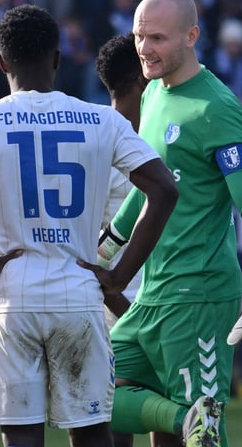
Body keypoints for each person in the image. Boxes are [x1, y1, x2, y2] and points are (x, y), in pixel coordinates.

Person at [0, 5, 179, 447]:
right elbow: (164, 190)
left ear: (1, 62)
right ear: (57, 59)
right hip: (78, 290)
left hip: (12, 294)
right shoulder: (101, 120)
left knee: (22, 435)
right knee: (91, 432)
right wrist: (117, 278)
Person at [95, 0, 242, 447]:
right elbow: (148, 190)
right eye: (139, 36)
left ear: (192, 36)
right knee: (90, 394)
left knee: (204, 438)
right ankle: (183, 416)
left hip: (200, 296)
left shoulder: (217, 109)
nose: (144, 49)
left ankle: (189, 417)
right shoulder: (151, 98)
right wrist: (106, 246)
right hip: (154, 294)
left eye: (158, 39)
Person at [93, 32, 150, 325]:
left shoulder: (157, 142)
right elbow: (83, 258)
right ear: (144, 80)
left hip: (167, 316)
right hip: (121, 325)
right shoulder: (98, 149)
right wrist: (134, 324)